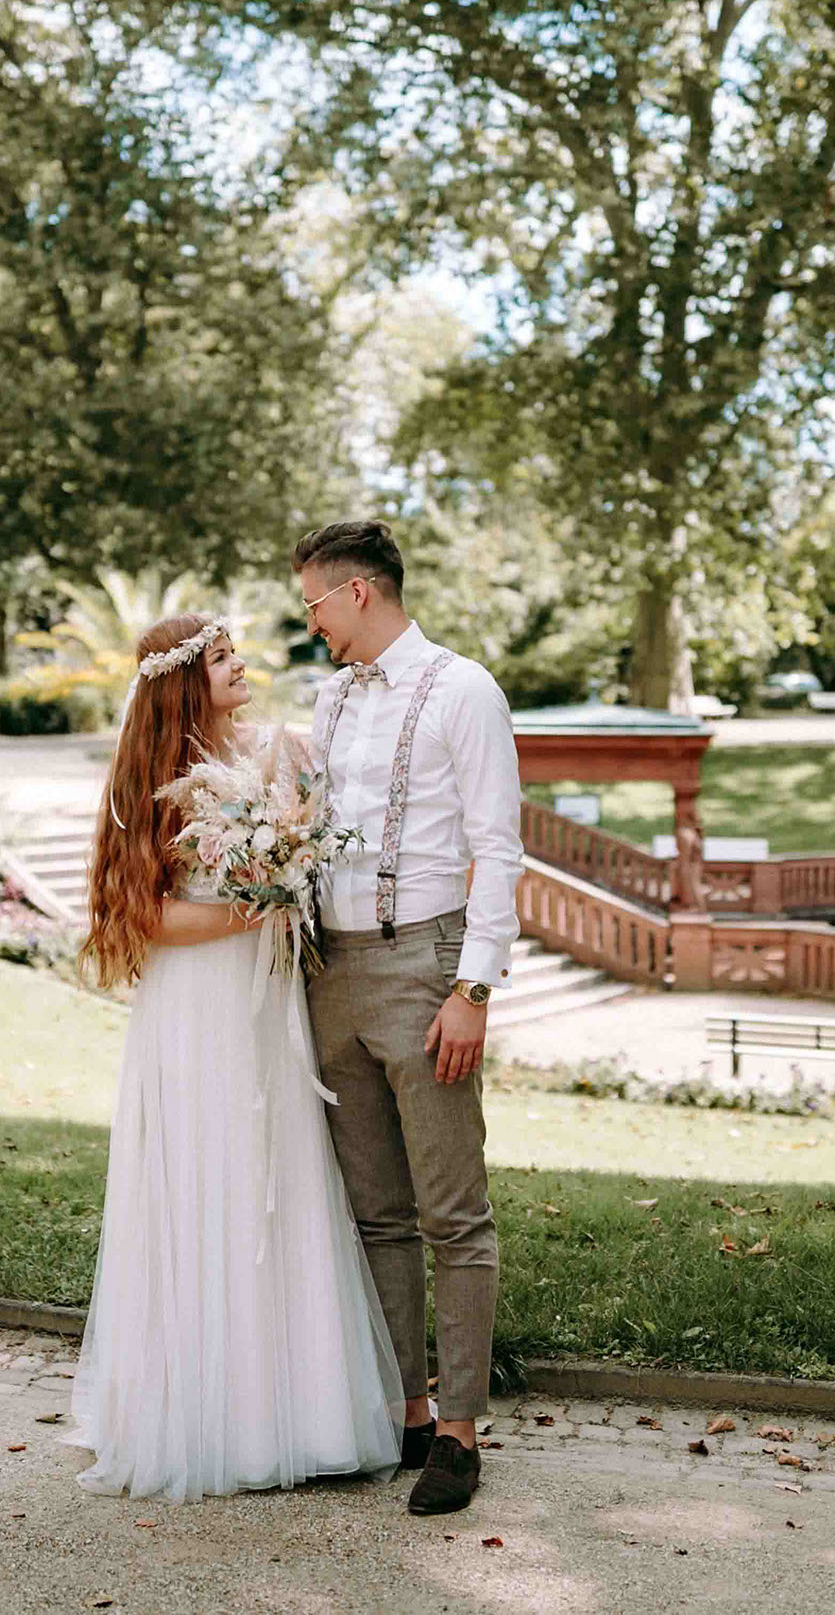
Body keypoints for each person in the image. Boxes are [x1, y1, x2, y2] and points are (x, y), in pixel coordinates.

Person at [63, 614, 403, 1503]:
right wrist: (253, 908)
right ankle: (205, 1415)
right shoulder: (156, 783)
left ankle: (306, 1416)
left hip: (268, 1004)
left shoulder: (279, 750)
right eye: (222, 658)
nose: (242, 664)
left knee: (282, 1178)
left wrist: (289, 881)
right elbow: (146, 918)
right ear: (185, 680)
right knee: (207, 1184)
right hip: (196, 1013)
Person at [292, 520, 524, 1517]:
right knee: (376, 1212)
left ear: (357, 593)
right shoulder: (329, 695)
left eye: (312, 604)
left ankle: (463, 1433)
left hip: (425, 965)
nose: (308, 624)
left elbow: (498, 846)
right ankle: (408, 1408)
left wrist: (472, 987)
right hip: (329, 969)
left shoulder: (462, 688)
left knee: (451, 1212)